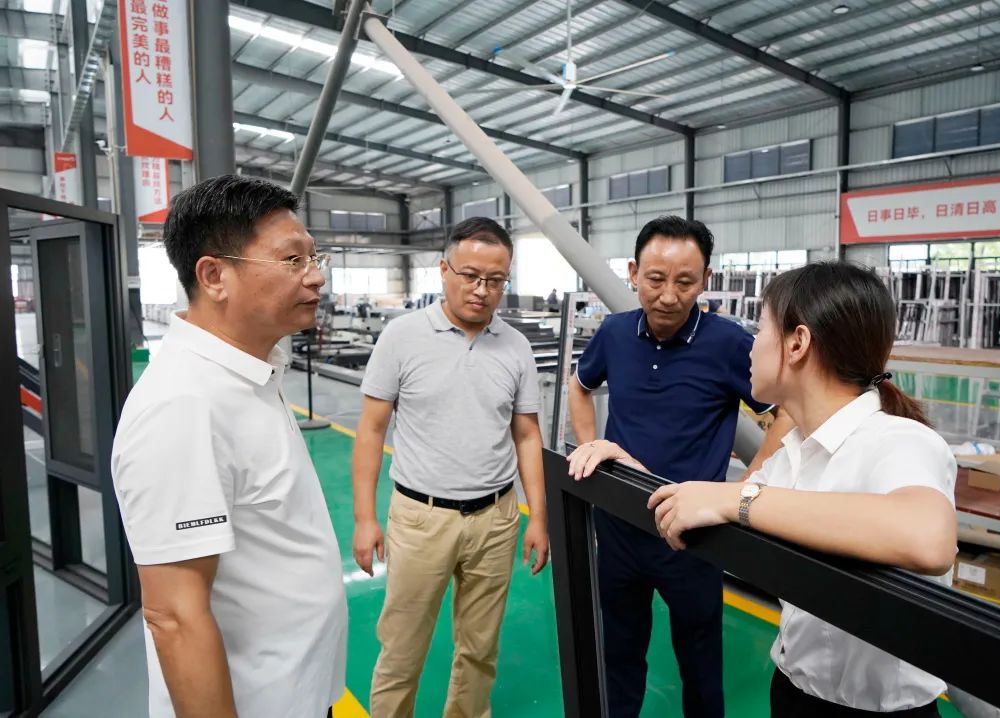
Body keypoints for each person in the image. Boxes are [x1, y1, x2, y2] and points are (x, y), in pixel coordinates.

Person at [648, 261, 957, 716]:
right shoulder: (790, 455)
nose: (751, 345)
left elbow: (927, 538)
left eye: (760, 328)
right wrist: (626, 465)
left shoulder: (898, 441)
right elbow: (712, 511)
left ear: (797, 343)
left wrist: (738, 498)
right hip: (794, 692)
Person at [110, 175, 347, 718]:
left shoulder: (251, 372)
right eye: (292, 260)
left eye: (314, 258)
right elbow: (174, 616)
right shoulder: (183, 405)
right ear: (214, 276)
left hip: (299, 693)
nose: (316, 276)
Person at [566, 215, 793, 718]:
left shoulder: (729, 343)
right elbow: (579, 386)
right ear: (633, 273)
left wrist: (749, 482)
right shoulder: (615, 333)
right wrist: (590, 449)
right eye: (655, 279)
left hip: (691, 538)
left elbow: (786, 412)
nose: (668, 296)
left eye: (685, 282)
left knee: (700, 663)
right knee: (619, 654)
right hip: (619, 526)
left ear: (705, 279)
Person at [353, 217, 550, 718]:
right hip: (421, 519)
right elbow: (372, 429)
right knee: (402, 647)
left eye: (496, 280)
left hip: (496, 520)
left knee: (480, 649)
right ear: (444, 270)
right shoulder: (402, 337)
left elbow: (527, 435)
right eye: (470, 276)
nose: (482, 290)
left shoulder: (516, 346)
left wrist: (538, 518)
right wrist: (365, 518)